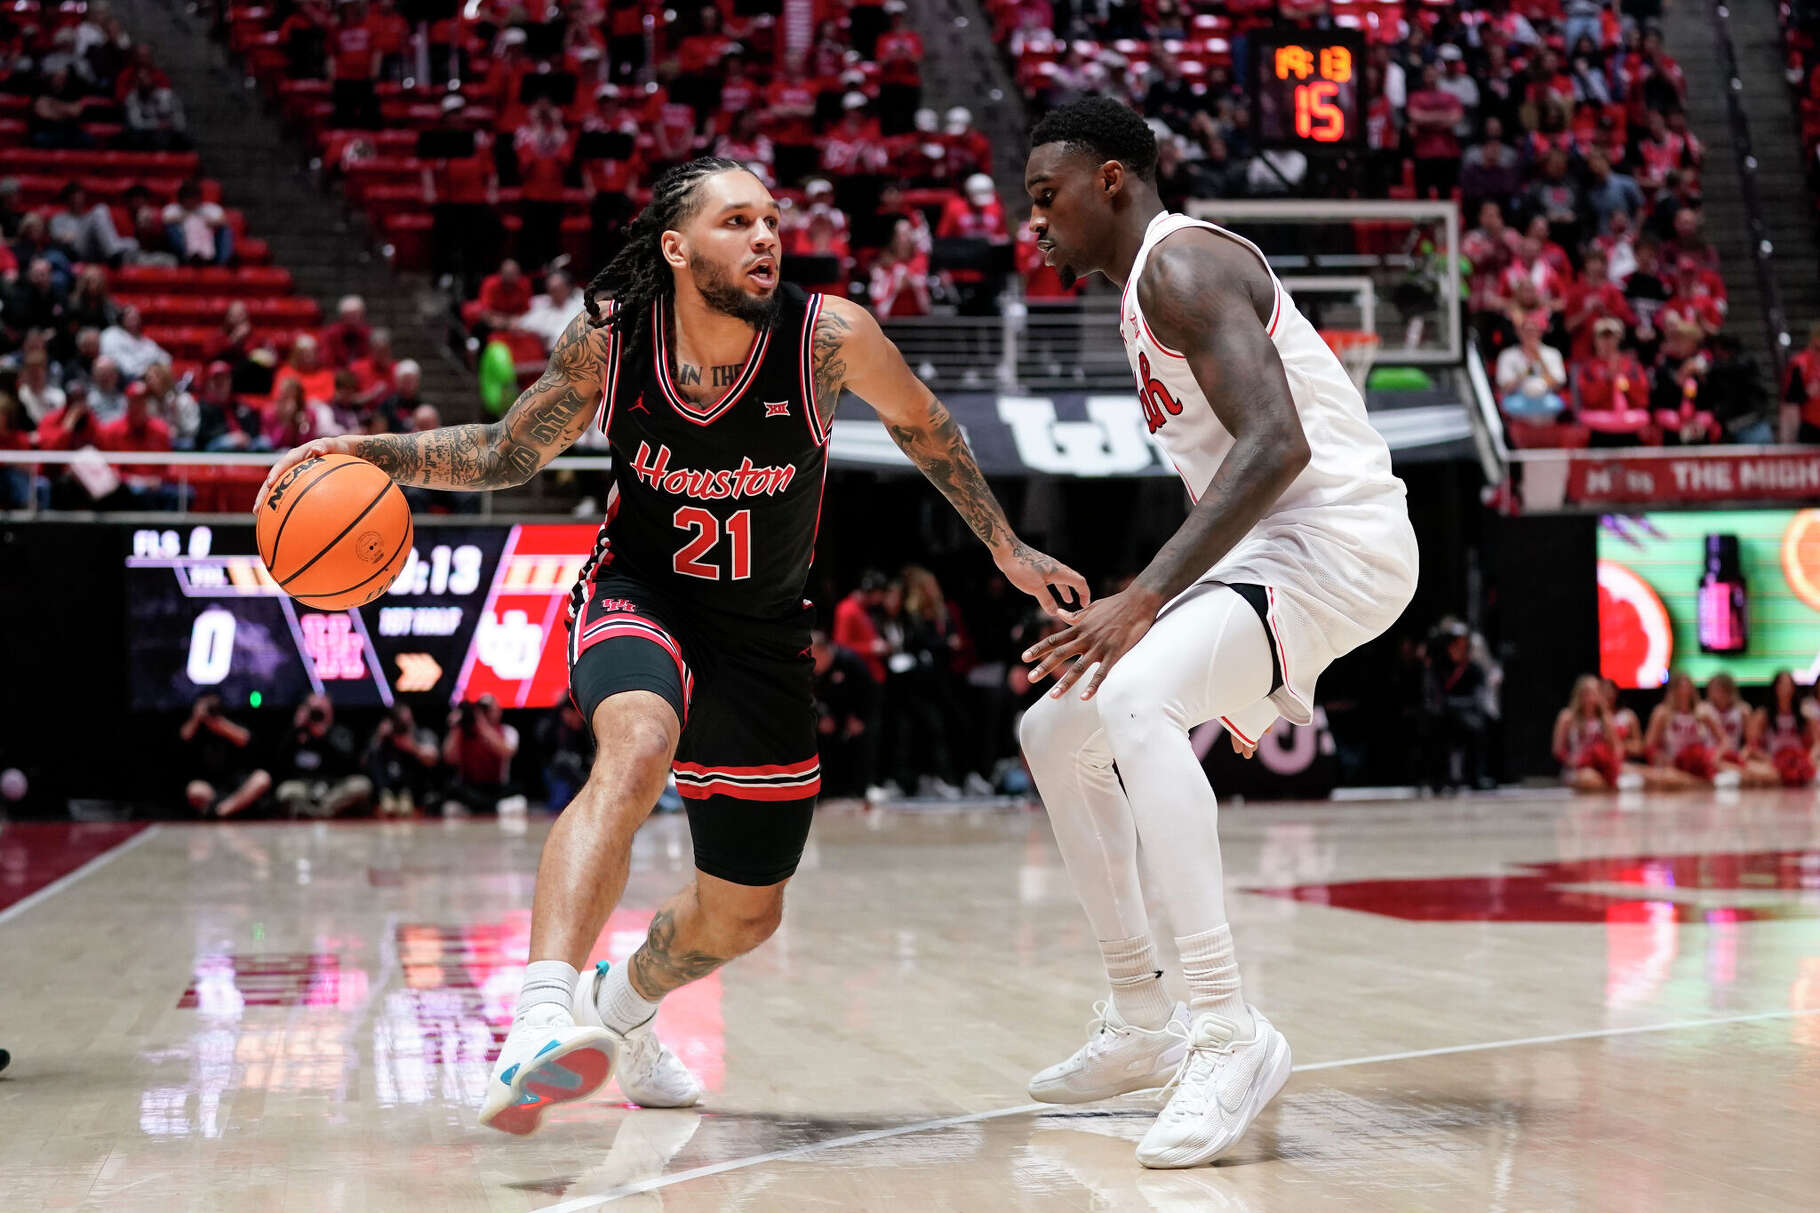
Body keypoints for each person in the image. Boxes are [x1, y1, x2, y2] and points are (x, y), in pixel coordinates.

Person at [257, 156, 1085, 1136]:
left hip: (763, 634)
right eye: (737, 221)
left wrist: (1006, 546)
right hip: (638, 593)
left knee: (743, 913)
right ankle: (535, 1020)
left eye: (772, 220)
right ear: (676, 246)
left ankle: (624, 1005)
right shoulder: (612, 340)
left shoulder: (827, 340)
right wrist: (369, 452)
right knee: (637, 741)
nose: (766, 236)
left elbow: (925, 427)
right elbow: (507, 453)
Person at [1016, 97, 1417, 1170]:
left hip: (1334, 542)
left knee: (1133, 696)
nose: (1034, 223)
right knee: (1054, 733)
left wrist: (1144, 598)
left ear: (1111, 180)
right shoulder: (1139, 292)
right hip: (1272, 557)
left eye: (1045, 197)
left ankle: (1225, 1031)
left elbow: (1276, 443)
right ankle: (1140, 1019)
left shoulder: (1177, 265)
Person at [275, 694, 373, 816]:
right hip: (306, 788)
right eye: (314, 709)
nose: (317, 714)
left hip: (336, 789)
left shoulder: (340, 733)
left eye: (321, 709)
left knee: (361, 785)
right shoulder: (298, 734)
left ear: (330, 711)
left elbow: (350, 763)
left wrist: (324, 736)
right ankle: (323, 813)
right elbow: (279, 762)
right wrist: (296, 728)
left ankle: (316, 813)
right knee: (286, 791)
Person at [180, 692, 273, 817]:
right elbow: (184, 738)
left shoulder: (230, 720)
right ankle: (220, 810)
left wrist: (219, 725)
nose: (210, 707)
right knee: (194, 790)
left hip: (239, 786)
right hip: (213, 787)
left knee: (262, 779)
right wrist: (197, 717)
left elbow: (245, 738)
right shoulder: (198, 727)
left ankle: (222, 811)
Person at [1644, 672, 1736, 790]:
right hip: (1674, 764)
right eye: (1680, 688)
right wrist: (1660, 757)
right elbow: (1648, 745)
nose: (1684, 692)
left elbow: (1725, 741)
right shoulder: (1662, 713)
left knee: (1743, 774)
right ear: (1672, 691)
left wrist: (1716, 756)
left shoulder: (1703, 711)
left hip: (1699, 764)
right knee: (1667, 778)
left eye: (1687, 688)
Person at [442, 695, 520, 814]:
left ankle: (487, 806)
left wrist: (481, 725)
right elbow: (449, 758)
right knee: (450, 801)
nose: (485, 713)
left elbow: (507, 752)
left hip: (497, 789)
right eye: (482, 710)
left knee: (518, 799)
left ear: (499, 711)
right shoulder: (461, 734)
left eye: (489, 710)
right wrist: (455, 728)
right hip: (469, 789)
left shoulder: (508, 731)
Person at [365, 703, 440, 816]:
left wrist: (412, 747)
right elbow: (364, 762)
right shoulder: (383, 740)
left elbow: (433, 758)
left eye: (406, 721)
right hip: (387, 792)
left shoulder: (421, 735)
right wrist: (379, 737)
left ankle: (407, 796)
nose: (403, 725)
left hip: (415, 793)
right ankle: (386, 796)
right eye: (399, 721)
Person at [1553, 674, 1624, 791]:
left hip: (1601, 769)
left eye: (1594, 692)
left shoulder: (1605, 719)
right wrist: (1574, 761)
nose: (1590, 697)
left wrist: (1608, 760)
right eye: (1586, 692)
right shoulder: (1567, 717)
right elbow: (1558, 749)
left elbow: (1617, 748)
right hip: (1576, 769)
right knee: (1588, 779)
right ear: (1579, 694)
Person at [1748, 671, 1817, 787]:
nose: (1786, 689)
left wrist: (1809, 758)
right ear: (1775, 687)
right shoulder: (1763, 715)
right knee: (1752, 769)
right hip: (1773, 762)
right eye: (1782, 684)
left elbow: (1816, 743)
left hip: (1799, 761)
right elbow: (1752, 746)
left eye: (1789, 684)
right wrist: (1768, 759)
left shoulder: (1804, 714)